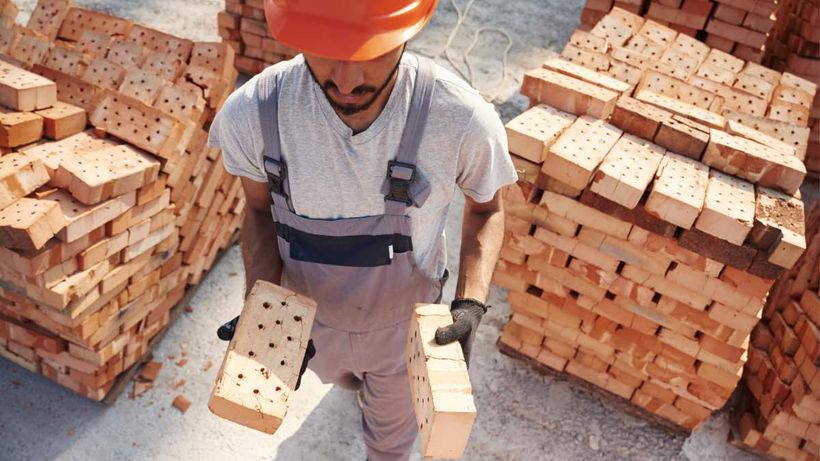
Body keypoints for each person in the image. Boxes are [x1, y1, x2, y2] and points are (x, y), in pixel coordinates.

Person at [208, 1, 517, 459]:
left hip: (404, 333)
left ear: (408, 30)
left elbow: (488, 209)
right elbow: (258, 212)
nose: (347, 82)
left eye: (370, 52)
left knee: (390, 442)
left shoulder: (459, 118)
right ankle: (351, 383)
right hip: (311, 325)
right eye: (326, 51)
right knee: (343, 381)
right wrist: (263, 305)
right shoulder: (253, 115)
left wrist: (470, 303)